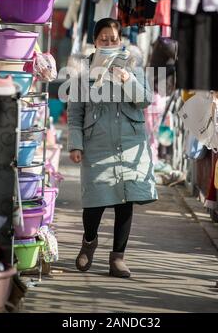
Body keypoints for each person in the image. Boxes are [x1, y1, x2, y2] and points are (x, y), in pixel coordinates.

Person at [67, 18, 158, 278]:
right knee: (94, 203)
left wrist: (127, 78)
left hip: (130, 143)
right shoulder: (82, 71)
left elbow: (144, 100)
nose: (108, 43)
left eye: (113, 39)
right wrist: (76, 144)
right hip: (96, 144)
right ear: (94, 41)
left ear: (121, 41)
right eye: (103, 39)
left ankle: (118, 257)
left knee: (124, 202)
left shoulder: (133, 66)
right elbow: (75, 113)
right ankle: (89, 241)